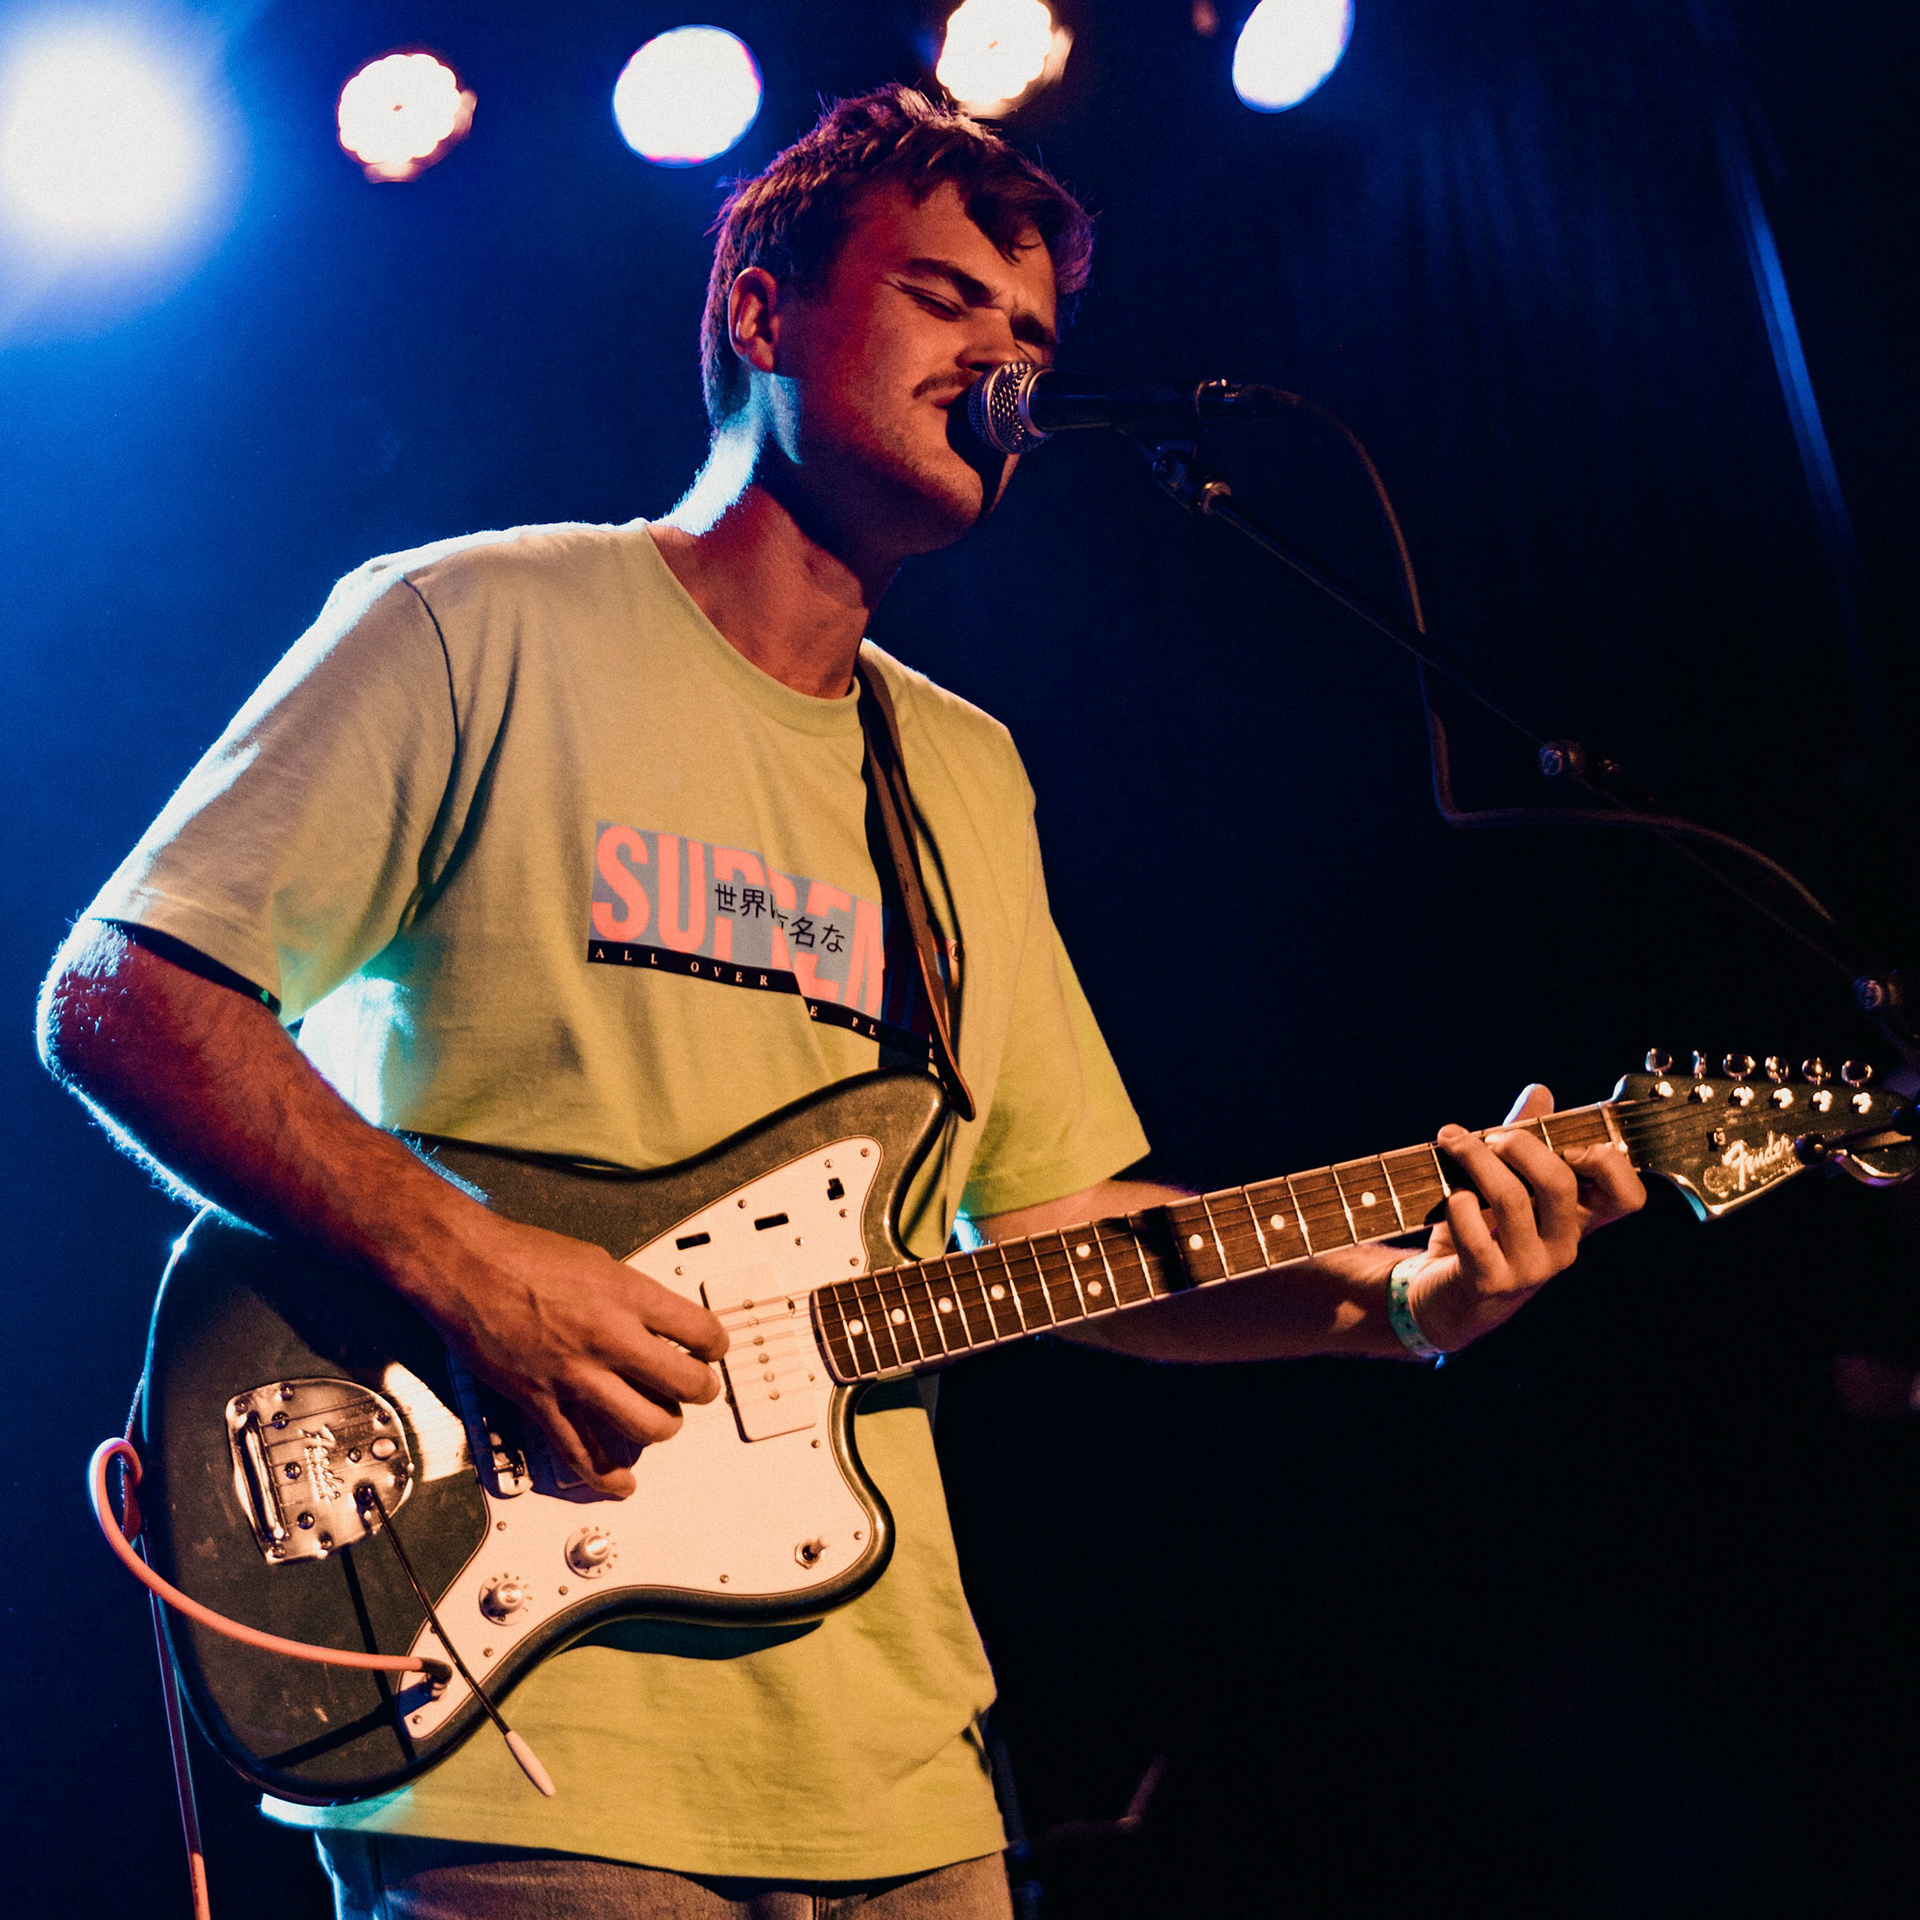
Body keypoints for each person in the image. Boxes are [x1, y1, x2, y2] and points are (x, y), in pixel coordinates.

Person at [38, 86, 1644, 1920]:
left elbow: (1049, 1232)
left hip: (898, 1771)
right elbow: (125, 994)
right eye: (945, 298)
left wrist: (1410, 1302)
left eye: (1032, 337)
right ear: (760, 311)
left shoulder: (960, 772)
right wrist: (477, 1269)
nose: (1004, 360)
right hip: (526, 1745)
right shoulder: (473, 625)